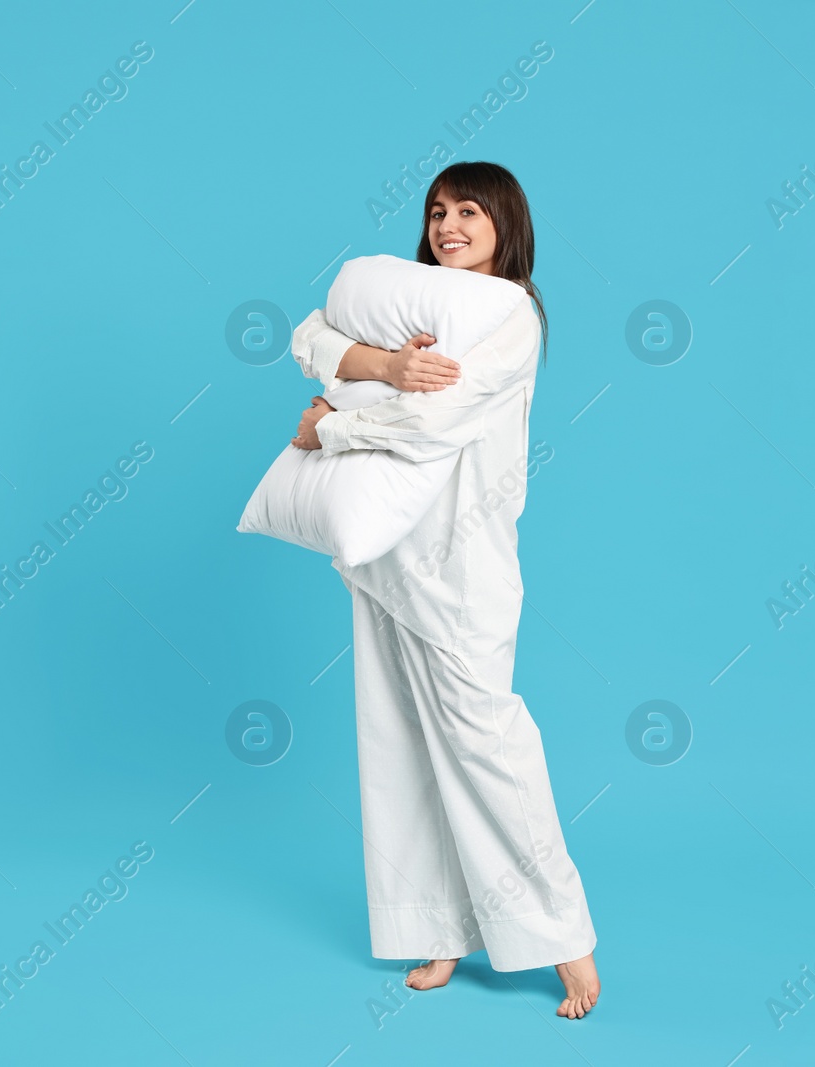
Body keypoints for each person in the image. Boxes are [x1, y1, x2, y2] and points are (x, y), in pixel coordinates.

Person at [289, 161, 600, 1020]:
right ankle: (440, 926)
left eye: (469, 211)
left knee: (483, 741)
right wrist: (385, 364)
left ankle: (564, 935)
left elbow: (440, 417)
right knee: (397, 740)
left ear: (506, 224)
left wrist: (330, 427)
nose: (448, 225)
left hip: (462, 565)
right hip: (386, 548)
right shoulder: (409, 305)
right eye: (436, 211)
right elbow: (309, 337)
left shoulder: (511, 316)